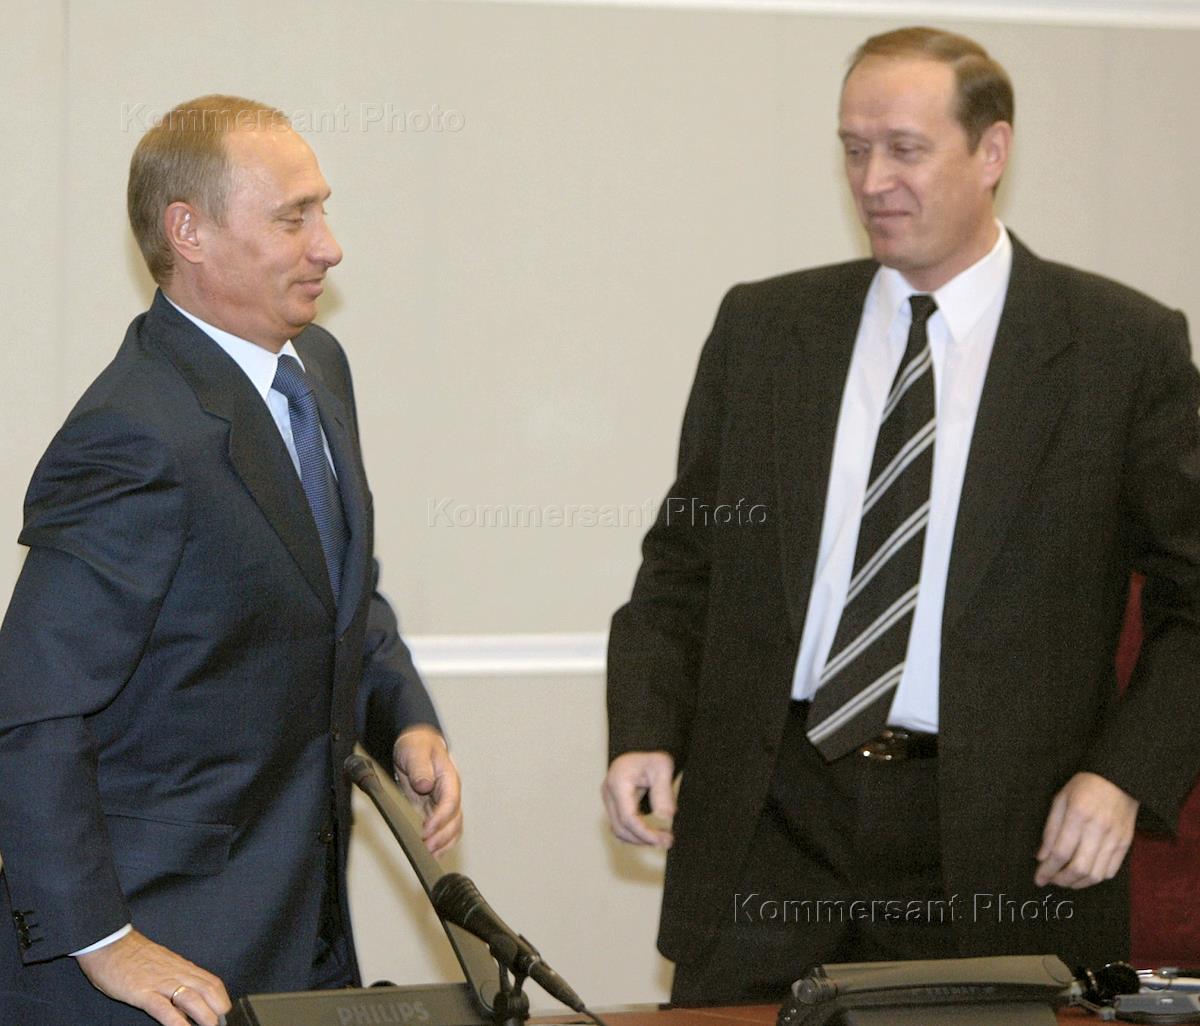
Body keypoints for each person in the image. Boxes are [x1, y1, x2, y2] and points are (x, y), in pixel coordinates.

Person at [603, 26, 1200, 1006]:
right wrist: (645, 728)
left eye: (905, 149)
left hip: (1002, 845)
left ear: (992, 151)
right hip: (771, 824)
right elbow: (684, 561)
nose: (872, 180)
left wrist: (1123, 776)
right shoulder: (766, 328)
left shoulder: (1118, 348)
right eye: (854, 148)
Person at [0, 95, 462, 1026]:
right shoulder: (132, 434)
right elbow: (32, 708)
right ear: (190, 233)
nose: (330, 246)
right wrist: (102, 940)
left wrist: (404, 717)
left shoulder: (317, 369)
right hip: (160, 962)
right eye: (294, 218)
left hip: (300, 934)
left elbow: (340, 589)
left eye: (323, 209)